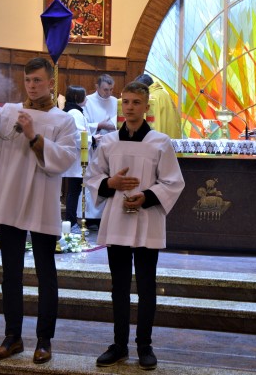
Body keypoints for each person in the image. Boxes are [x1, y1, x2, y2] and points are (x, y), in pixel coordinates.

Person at [0, 57, 77, 364]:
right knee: (10, 273)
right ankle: (12, 337)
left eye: (37, 80)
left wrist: (33, 136)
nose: (32, 86)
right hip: (10, 199)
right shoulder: (9, 111)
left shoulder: (63, 120)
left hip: (40, 201)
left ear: (50, 82)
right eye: (28, 80)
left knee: (45, 273)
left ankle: (44, 341)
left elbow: (65, 159)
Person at [85, 81, 185, 370]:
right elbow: (93, 177)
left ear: (146, 106)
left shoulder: (160, 142)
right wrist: (111, 183)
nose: (130, 107)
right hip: (117, 219)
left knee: (146, 286)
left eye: (136, 102)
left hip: (146, 220)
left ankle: (144, 346)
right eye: (126, 102)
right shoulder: (108, 142)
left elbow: (173, 182)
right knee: (118, 286)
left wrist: (147, 196)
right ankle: (119, 345)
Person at [82, 73, 118, 229]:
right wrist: (100, 125)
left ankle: (105, 217)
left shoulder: (116, 102)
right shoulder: (88, 101)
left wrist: (113, 126)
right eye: (105, 89)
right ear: (96, 87)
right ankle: (90, 218)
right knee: (93, 180)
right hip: (94, 147)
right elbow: (83, 124)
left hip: (112, 147)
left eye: (111, 89)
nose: (108, 93)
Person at [62, 85, 90, 230]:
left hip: (75, 158)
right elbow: (79, 137)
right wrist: (93, 139)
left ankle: (71, 222)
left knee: (74, 191)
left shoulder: (72, 111)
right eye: (84, 96)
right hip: (77, 159)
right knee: (74, 192)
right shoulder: (75, 113)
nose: (86, 99)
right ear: (77, 97)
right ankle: (72, 222)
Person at [134, 74, 181, 139]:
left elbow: (149, 124)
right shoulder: (164, 94)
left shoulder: (150, 99)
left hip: (157, 140)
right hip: (171, 139)